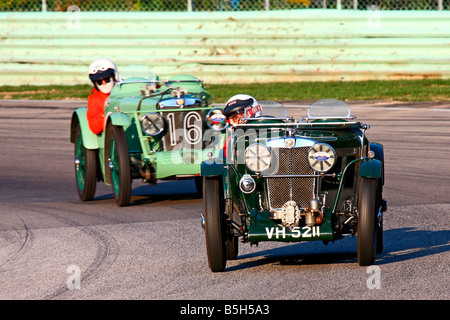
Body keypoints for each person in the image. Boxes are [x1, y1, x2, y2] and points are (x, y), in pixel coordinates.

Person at [86, 58, 120, 134]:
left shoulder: (124, 90)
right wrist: (105, 114)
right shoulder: (94, 99)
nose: (104, 83)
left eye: (107, 79)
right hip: (112, 134)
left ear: (114, 77)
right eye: (99, 82)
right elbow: (94, 128)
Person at [223, 94, 262, 158]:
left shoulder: (268, 136)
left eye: (242, 117)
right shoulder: (231, 141)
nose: (239, 122)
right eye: (234, 119)